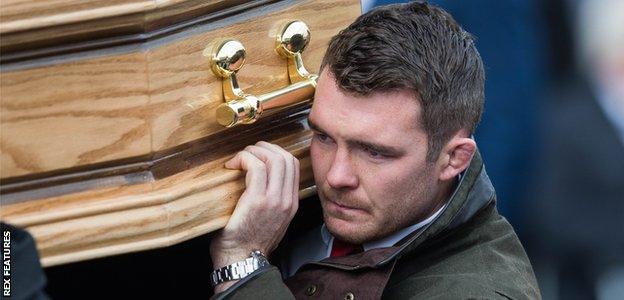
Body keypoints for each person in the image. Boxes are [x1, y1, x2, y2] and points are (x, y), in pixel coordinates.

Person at [209, 2, 539, 299]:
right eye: (323, 136)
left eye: (375, 153)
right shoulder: (302, 207)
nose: (336, 177)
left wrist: (243, 269)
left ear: (453, 158)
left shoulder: (481, 292)